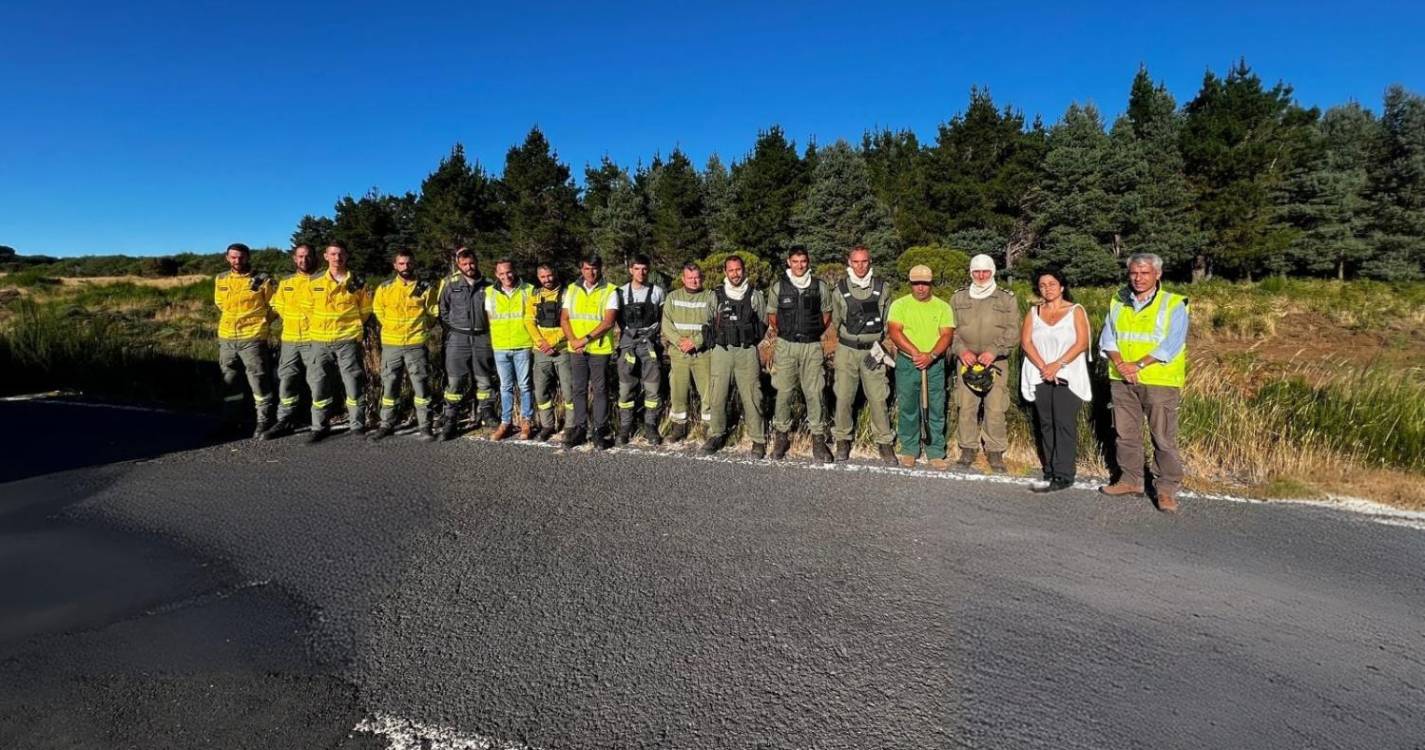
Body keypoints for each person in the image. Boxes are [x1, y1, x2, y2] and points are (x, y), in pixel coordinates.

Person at [1099, 253, 1189, 512]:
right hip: (1122, 378)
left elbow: (1172, 344)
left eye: (1144, 273)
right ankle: (1131, 480)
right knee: (1125, 433)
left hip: (1158, 380)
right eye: (1134, 273)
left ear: (1157, 274)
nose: (1138, 278)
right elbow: (1108, 337)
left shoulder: (1173, 303)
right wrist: (1120, 364)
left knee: (1162, 436)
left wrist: (1137, 365)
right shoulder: (1118, 300)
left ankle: (1167, 488)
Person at [1020, 268, 1091, 492]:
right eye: (1042, 285)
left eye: (1052, 284)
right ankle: (1050, 468)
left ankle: (1064, 472)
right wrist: (1044, 367)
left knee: (1064, 423)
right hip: (1041, 374)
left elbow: (1081, 343)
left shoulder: (1075, 311)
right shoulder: (1034, 312)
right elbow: (1026, 343)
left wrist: (1057, 365)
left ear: (1061, 286)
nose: (1047, 288)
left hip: (1067, 374)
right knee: (1046, 424)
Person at [949, 254, 1020, 473]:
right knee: (966, 406)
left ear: (992, 272)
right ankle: (967, 449)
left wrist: (994, 351)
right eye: (976, 272)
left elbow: (1014, 330)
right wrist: (961, 351)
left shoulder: (1006, 299)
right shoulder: (958, 298)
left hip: (995, 362)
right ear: (971, 273)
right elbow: (949, 331)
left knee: (995, 407)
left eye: (985, 272)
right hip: (966, 361)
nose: (981, 276)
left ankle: (995, 451)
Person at [830, 246, 896, 465]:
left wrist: (880, 347)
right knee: (844, 397)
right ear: (849, 263)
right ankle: (842, 440)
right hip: (847, 350)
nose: (860, 266)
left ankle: (884, 443)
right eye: (856, 262)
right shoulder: (839, 289)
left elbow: (887, 322)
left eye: (864, 262)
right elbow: (837, 321)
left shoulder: (882, 288)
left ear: (870, 262)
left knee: (878, 398)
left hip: (873, 350)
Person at [766, 246, 833, 462]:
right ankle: (781, 437)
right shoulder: (779, 287)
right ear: (788, 262)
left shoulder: (819, 286)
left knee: (814, 393)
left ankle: (818, 440)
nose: (799, 265)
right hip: (786, 345)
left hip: (812, 346)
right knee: (784, 392)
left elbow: (827, 315)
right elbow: (773, 317)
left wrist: (811, 332)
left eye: (803, 261)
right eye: (795, 261)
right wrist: (788, 332)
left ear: (808, 262)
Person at [886, 265, 955, 469]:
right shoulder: (900, 305)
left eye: (925, 283)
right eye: (916, 283)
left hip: (934, 364)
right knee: (908, 407)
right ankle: (909, 449)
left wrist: (931, 355)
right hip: (908, 362)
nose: (921, 288)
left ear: (931, 284)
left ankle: (935, 451)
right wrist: (916, 353)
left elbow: (946, 335)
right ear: (911, 284)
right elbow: (895, 331)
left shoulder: (942, 307)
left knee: (935, 406)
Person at [303, 242, 373, 442]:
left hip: (347, 340)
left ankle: (357, 425)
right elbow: (307, 309)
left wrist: (352, 329)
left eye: (341, 254)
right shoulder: (314, 281)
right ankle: (319, 426)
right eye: (333, 254)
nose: (337, 258)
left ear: (347, 256)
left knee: (353, 383)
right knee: (318, 384)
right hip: (319, 341)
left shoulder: (358, 282)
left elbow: (366, 310)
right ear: (326, 256)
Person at [702, 255, 768, 458]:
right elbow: (707, 322)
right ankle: (717, 434)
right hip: (722, 352)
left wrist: (750, 341)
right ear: (725, 272)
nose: (735, 274)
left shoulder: (755, 295)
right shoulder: (715, 295)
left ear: (744, 270)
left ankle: (758, 439)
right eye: (731, 270)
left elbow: (763, 323)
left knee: (752, 395)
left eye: (738, 269)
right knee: (717, 395)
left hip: (746, 351)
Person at [369, 249, 436, 442]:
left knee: (421, 388)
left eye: (408, 263)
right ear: (395, 266)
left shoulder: (424, 287)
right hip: (391, 344)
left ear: (413, 264)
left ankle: (425, 426)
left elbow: (432, 312)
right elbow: (378, 310)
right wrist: (390, 327)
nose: (405, 267)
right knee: (390, 387)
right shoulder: (385, 287)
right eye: (401, 263)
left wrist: (423, 329)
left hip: (416, 344)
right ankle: (386, 424)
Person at [213, 242, 276, 437]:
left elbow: (275, 305)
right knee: (230, 382)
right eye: (233, 257)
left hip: (253, 337)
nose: (237, 261)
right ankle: (231, 422)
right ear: (227, 258)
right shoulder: (221, 279)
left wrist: (263, 321)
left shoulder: (263, 279)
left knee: (258, 381)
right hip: (227, 337)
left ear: (248, 257)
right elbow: (220, 303)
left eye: (241, 257)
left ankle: (264, 422)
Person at [560, 254, 620, 450]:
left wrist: (584, 339)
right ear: (581, 269)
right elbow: (565, 319)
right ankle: (579, 428)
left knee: (600, 390)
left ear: (600, 268)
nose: (590, 272)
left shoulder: (610, 290)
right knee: (578, 389)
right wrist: (573, 341)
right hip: (576, 349)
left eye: (594, 268)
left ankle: (599, 430)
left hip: (598, 349)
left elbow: (608, 321)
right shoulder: (572, 289)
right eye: (586, 268)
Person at [437, 248, 497, 441]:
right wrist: (453, 331)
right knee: (455, 382)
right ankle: (451, 419)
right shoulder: (449, 284)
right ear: (458, 265)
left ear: (476, 262)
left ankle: (487, 415)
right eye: (464, 264)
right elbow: (443, 311)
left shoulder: (489, 285)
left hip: (482, 337)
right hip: (458, 339)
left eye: (471, 263)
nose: (469, 267)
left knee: (484, 379)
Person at [261, 244, 320, 440]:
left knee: (317, 381)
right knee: (286, 380)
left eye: (308, 256)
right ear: (295, 259)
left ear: (315, 257)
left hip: (315, 339)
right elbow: (277, 306)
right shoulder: (286, 283)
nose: (304, 260)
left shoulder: (323, 280)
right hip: (290, 340)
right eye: (300, 257)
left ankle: (319, 421)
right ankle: (285, 419)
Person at [661, 262, 715, 444]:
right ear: (683, 279)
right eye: (690, 278)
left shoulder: (710, 297)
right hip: (679, 353)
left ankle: (708, 426)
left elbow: (715, 323)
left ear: (702, 277)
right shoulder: (672, 297)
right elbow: (666, 325)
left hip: (702, 352)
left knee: (708, 390)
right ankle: (679, 426)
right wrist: (679, 341)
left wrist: (696, 341)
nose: (694, 281)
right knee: (678, 389)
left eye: (697, 277)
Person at [615, 254, 666, 445]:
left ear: (649, 270)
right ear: (630, 270)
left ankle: (650, 425)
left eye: (644, 269)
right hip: (628, 345)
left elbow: (662, 318)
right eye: (637, 268)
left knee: (653, 387)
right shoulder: (619, 292)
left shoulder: (658, 292)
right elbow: (616, 318)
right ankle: (626, 426)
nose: (641, 272)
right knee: (626, 387)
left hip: (650, 345)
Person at [486, 259, 536, 440]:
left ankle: (526, 422)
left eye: (508, 272)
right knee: (505, 386)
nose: (505, 276)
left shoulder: (528, 290)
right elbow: (490, 318)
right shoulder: (489, 293)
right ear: (496, 275)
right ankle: (505, 422)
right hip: (500, 346)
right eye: (501, 274)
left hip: (522, 344)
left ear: (514, 271)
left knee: (524, 386)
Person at [525, 263, 573, 442]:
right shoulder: (534, 296)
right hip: (541, 351)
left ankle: (570, 426)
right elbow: (529, 321)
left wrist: (553, 342)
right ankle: (547, 425)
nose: (548, 280)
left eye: (550, 275)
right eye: (543, 277)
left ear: (555, 273)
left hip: (563, 349)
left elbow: (570, 321)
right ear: (539, 278)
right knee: (541, 391)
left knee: (569, 390)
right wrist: (541, 342)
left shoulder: (568, 294)